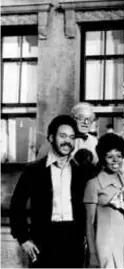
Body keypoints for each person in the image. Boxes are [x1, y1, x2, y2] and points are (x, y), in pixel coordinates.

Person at [10, 115, 87, 268]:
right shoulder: (33, 171)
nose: (67, 141)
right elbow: (16, 206)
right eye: (62, 136)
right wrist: (23, 239)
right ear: (51, 138)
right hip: (43, 241)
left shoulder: (81, 172)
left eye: (71, 137)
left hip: (73, 241)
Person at [83, 133, 124, 268]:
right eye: (110, 157)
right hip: (105, 250)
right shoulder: (93, 184)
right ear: (102, 158)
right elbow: (89, 225)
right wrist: (93, 255)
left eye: (118, 156)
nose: (115, 160)